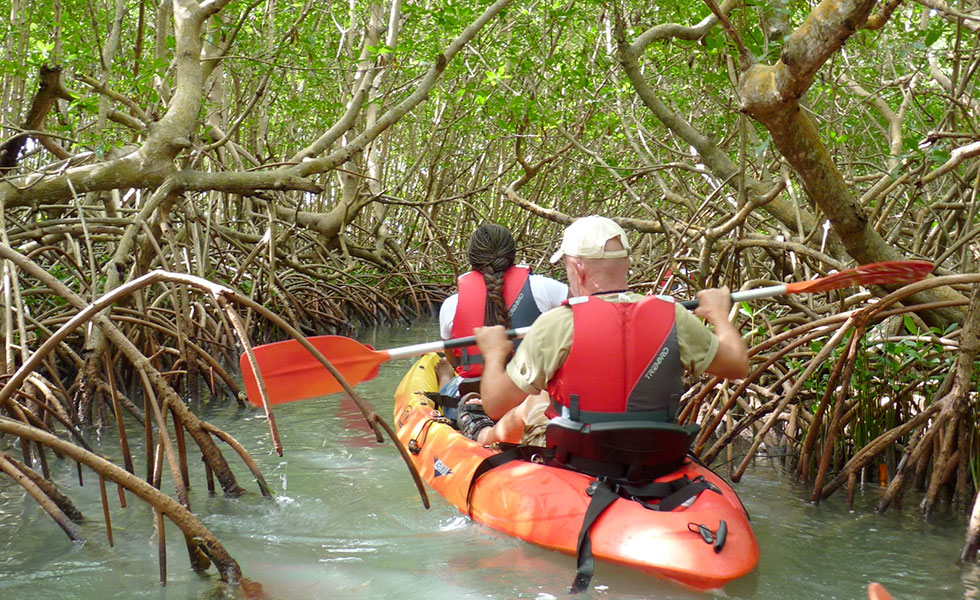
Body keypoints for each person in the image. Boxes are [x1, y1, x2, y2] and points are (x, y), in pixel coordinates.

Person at [468, 215, 749, 445]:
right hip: (653, 452)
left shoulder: (556, 324)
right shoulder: (675, 316)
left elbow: (494, 404)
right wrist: (719, 316)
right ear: (627, 262)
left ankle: (484, 439)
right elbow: (737, 366)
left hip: (579, 455)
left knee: (537, 399)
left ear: (577, 269)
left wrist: (494, 353)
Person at [435, 223, 567, 425]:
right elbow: (581, 320)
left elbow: (455, 361)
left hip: (472, 393)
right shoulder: (546, 288)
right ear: (511, 254)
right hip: (529, 392)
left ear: (472, 258)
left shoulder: (451, 305)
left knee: (448, 382)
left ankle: (444, 380)